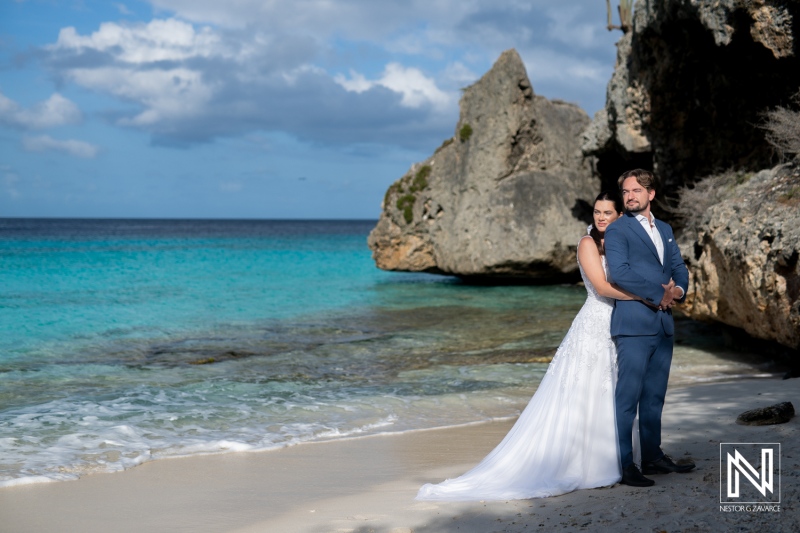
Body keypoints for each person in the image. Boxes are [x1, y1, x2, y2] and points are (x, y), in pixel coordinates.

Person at [416, 192, 641, 501]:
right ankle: (586, 465)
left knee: (613, 391)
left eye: (607, 213)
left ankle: (615, 459)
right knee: (585, 390)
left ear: (619, 216)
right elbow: (602, 287)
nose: (601, 217)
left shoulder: (617, 243)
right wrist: (645, 296)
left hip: (619, 324)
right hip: (595, 323)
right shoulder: (588, 243)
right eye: (597, 211)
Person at [604, 169, 694, 488]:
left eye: (636, 191)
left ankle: (653, 457)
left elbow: (678, 268)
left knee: (654, 397)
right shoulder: (617, 231)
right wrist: (661, 295)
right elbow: (620, 273)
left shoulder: (666, 229)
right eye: (626, 191)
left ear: (651, 194)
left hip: (663, 325)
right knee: (627, 398)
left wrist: (678, 291)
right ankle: (626, 464)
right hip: (634, 325)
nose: (629, 196)